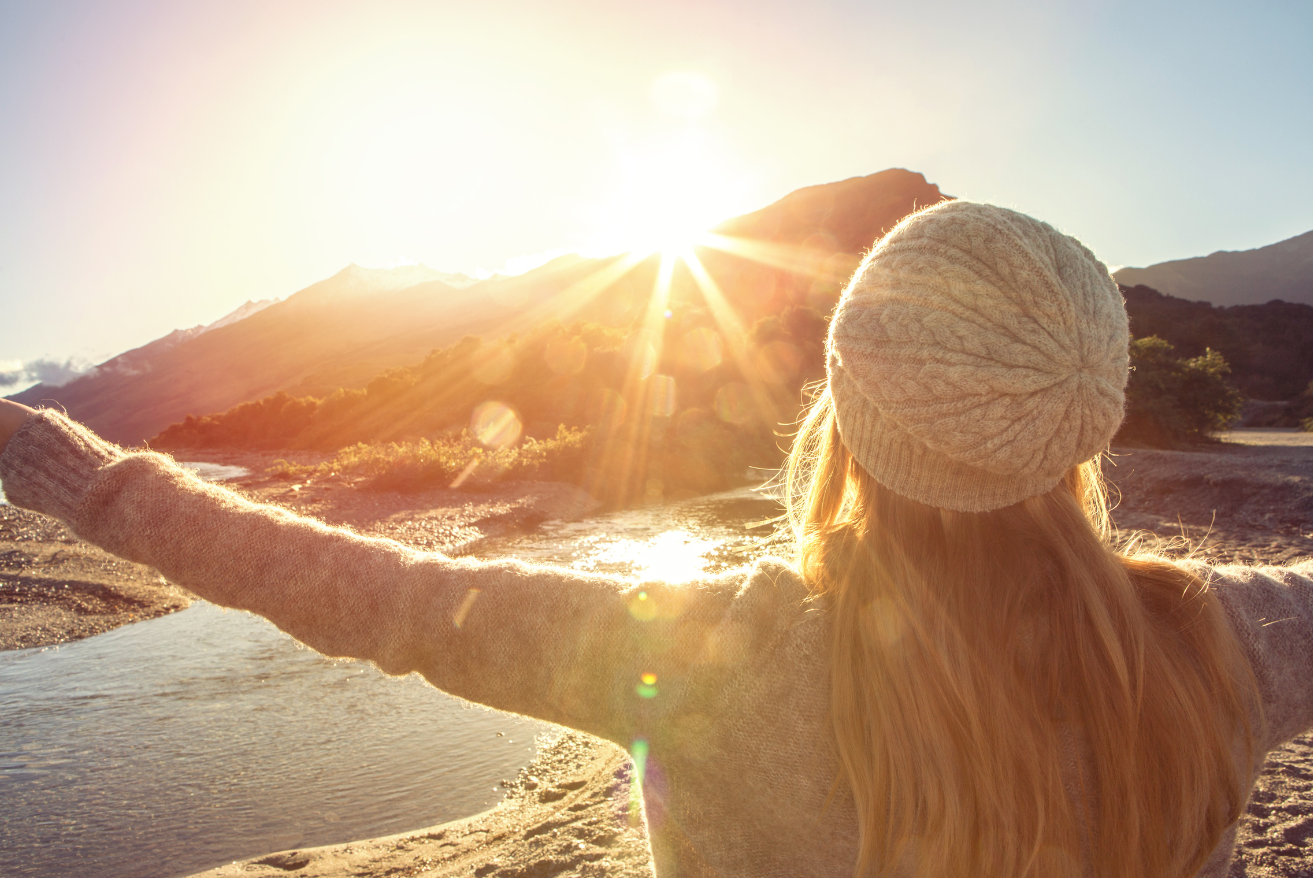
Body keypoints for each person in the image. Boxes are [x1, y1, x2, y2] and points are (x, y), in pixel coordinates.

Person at [1, 200, 1310, 878]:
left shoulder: (721, 657)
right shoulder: (1223, 637)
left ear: (846, 414)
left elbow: (386, 596)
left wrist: (105, 492)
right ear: (1089, 417)